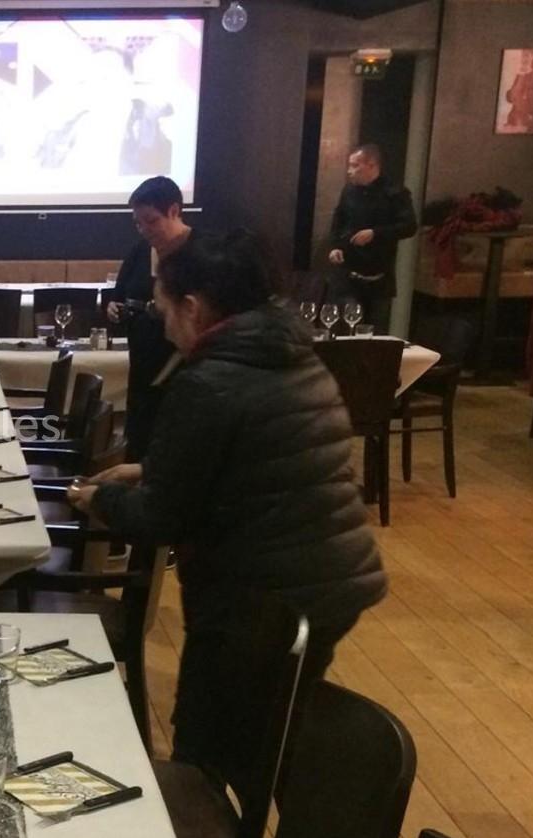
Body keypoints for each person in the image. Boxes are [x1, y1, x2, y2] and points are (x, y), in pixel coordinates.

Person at [69, 229, 387, 796]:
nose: (162, 321)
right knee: (273, 732)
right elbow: (261, 453)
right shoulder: (286, 353)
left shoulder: (212, 379)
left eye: (164, 306)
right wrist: (145, 469)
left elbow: (161, 518)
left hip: (262, 592)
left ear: (192, 307)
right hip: (332, 576)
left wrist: (100, 499)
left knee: (206, 750)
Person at [105, 176, 193, 460]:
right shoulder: (140, 250)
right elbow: (117, 295)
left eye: (151, 221)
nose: (144, 229)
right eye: (138, 223)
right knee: (139, 432)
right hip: (142, 355)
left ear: (174, 211)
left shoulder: (199, 251)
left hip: (180, 359)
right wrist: (113, 309)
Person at [327, 143, 417, 334]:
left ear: (372, 165)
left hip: (379, 276)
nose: (350, 171)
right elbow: (338, 220)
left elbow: (409, 227)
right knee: (346, 330)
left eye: (355, 165)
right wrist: (334, 247)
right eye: (349, 165)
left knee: (374, 334)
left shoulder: (395, 193)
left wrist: (375, 233)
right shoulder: (349, 191)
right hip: (349, 274)